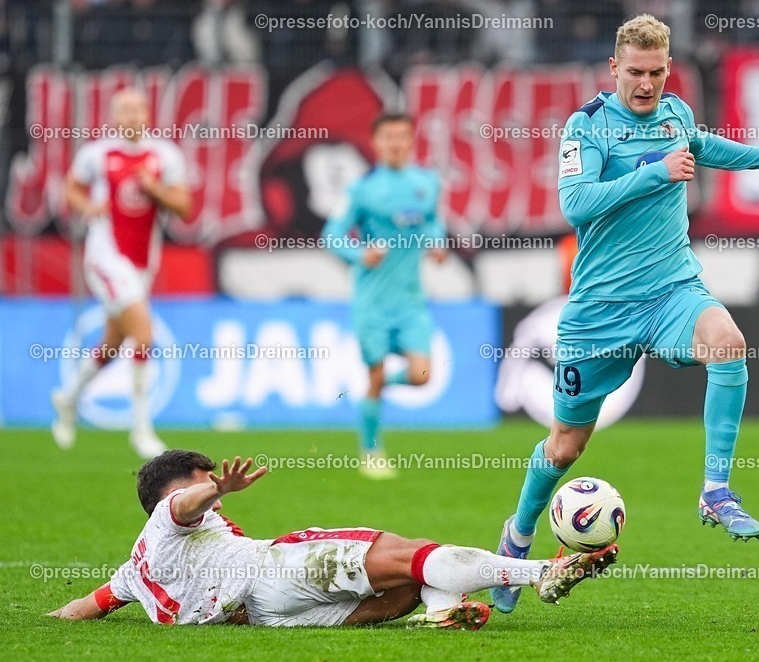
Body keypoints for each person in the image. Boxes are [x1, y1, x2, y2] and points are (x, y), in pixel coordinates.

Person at [491, 14, 759, 614]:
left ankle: (716, 490)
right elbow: (575, 203)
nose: (646, 84)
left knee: (728, 341)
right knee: (564, 448)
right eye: (636, 72)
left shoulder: (675, 114)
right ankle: (516, 540)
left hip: (671, 290)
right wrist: (652, 174)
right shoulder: (586, 126)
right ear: (614, 68)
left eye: (657, 72)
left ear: (668, 69)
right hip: (600, 312)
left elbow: (702, 147)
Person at [47, 451, 617, 629]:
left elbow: (85, 607)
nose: (211, 489)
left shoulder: (132, 570)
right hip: (274, 572)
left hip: (263, 618)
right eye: (205, 478)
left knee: (403, 590)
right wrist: (215, 488)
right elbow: (180, 505)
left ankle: (440, 612)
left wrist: (47, 622)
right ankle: (540, 572)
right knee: (405, 553)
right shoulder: (170, 518)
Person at [52, 88, 192, 459]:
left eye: (138, 109)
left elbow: (184, 206)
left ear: (148, 114)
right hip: (105, 256)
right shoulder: (97, 154)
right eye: (124, 110)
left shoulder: (164, 156)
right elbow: (71, 188)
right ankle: (141, 430)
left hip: (143, 262)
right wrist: (88, 206)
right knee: (143, 334)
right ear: (114, 116)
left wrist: (153, 188)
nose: (131, 116)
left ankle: (68, 400)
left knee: (112, 344)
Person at [322, 113, 446, 479]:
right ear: (376, 143)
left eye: (401, 137)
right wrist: (360, 254)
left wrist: (437, 242)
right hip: (372, 302)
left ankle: (375, 392)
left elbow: (432, 222)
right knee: (374, 371)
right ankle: (372, 452)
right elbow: (332, 234)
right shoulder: (361, 190)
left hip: (410, 301)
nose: (395, 144)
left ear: (411, 141)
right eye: (387, 137)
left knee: (422, 374)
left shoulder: (426, 183)